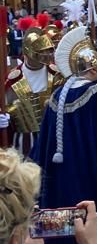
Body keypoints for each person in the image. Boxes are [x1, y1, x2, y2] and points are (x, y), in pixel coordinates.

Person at [31, 25, 97, 244]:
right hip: (87, 170)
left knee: (62, 209)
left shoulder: (57, 94)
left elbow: (45, 140)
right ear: (94, 68)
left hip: (58, 173)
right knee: (90, 214)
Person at [3, 16, 58, 157]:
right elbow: (5, 107)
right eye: (42, 51)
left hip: (54, 136)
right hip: (24, 141)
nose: (46, 54)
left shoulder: (56, 74)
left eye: (48, 50)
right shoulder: (12, 80)